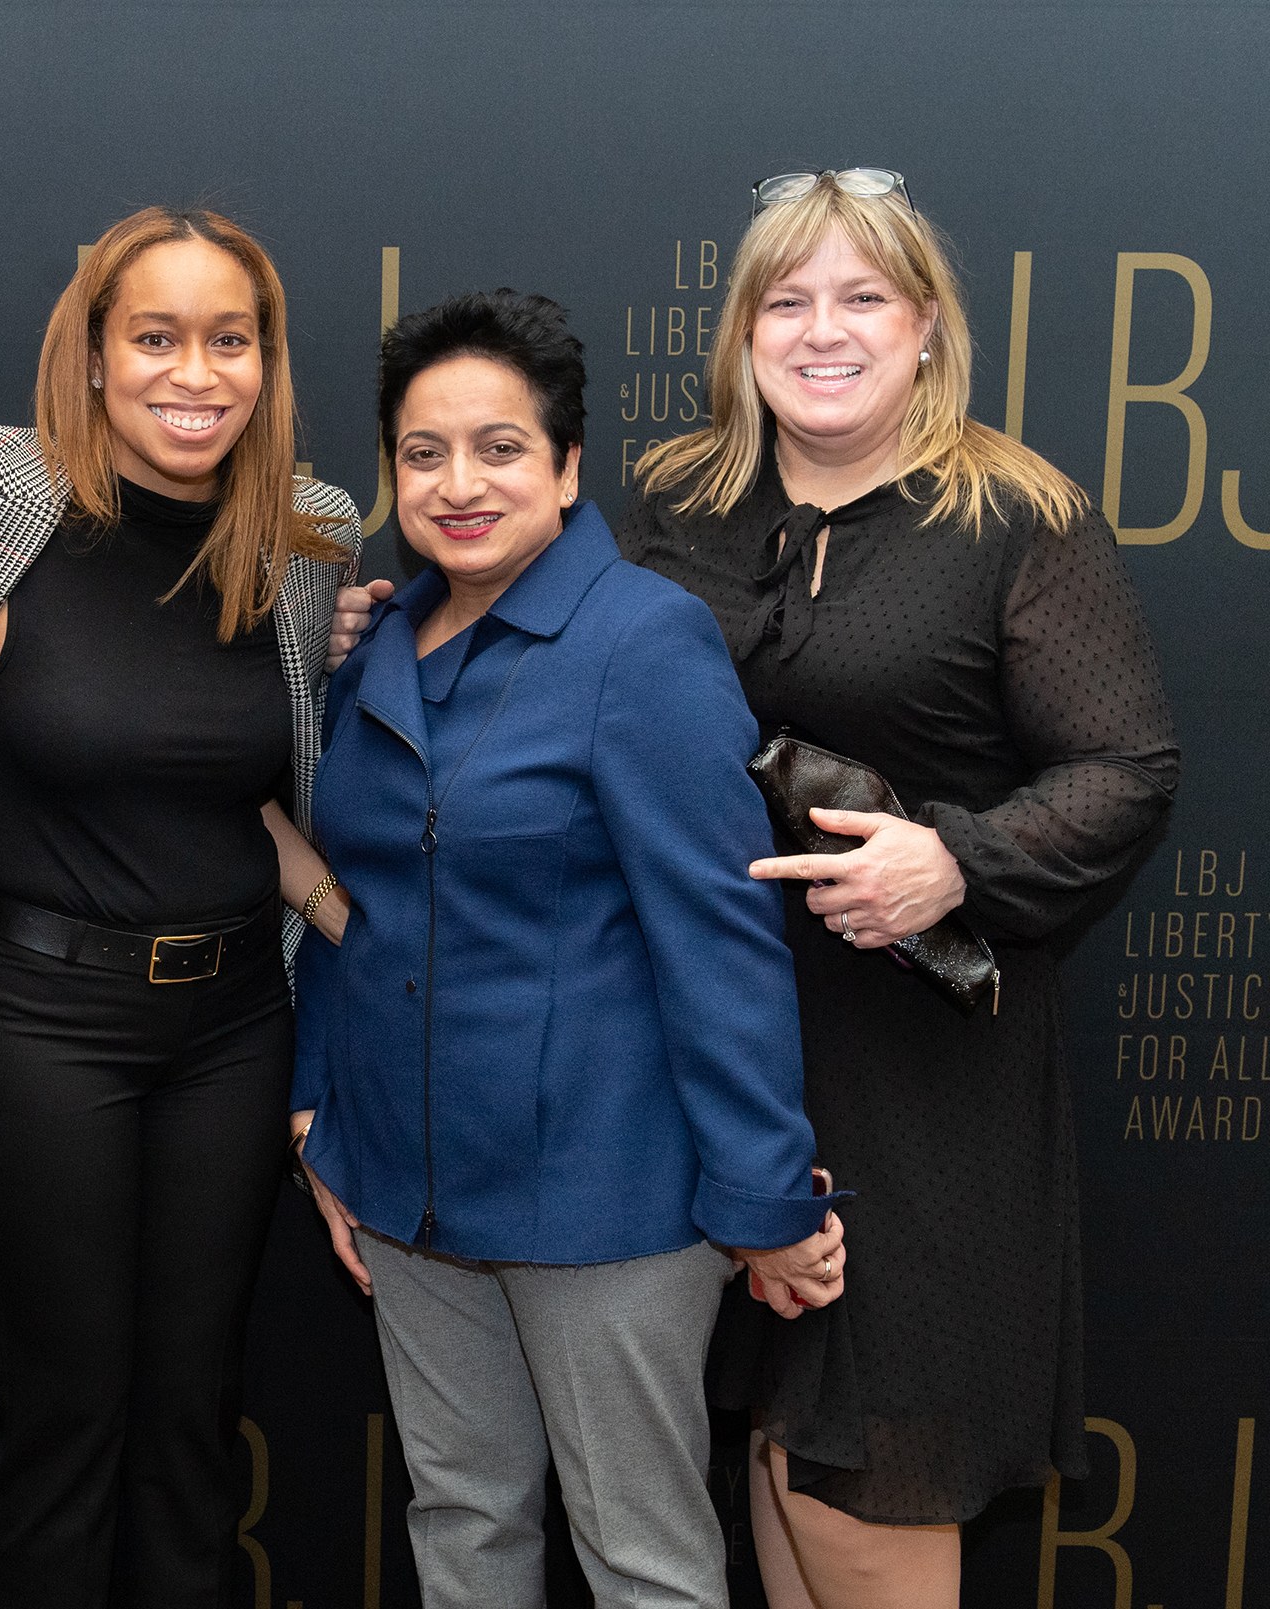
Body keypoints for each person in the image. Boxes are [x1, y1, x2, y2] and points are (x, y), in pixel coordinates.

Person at [617, 169, 1179, 1609]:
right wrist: (388, 623)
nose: (824, 330)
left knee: (868, 1462)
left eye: (863, 297)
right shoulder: (679, 502)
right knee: (782, 1439)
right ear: (742, 332)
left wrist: (954, 859)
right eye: (787, 301)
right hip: (725, 1048)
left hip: (923, 1072)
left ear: (926, 325)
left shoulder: (1018, 514)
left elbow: (1126, 768)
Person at [291, 288, 845, 1609]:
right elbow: (351, 902)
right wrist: (319, 1107)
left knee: (641, 1559)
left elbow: (720, 942)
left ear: (567, 466)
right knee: (462, 1525)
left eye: (500, 448)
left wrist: (766, 1203)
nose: (459, 484)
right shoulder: (380, 649)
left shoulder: (643, 640)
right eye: (424, 453)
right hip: (408, 1192)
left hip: (604, 1205)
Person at [0, 205, 362, 1608]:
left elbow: (235, 803)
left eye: (231, 340)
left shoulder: (302, 541)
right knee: (67, 1429)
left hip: (233, 1031)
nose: (195, 373)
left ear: (267, 362)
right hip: (38, 1028)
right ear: (92, 354)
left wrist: (375, 940)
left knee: (195, 1427)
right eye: (156, 337)